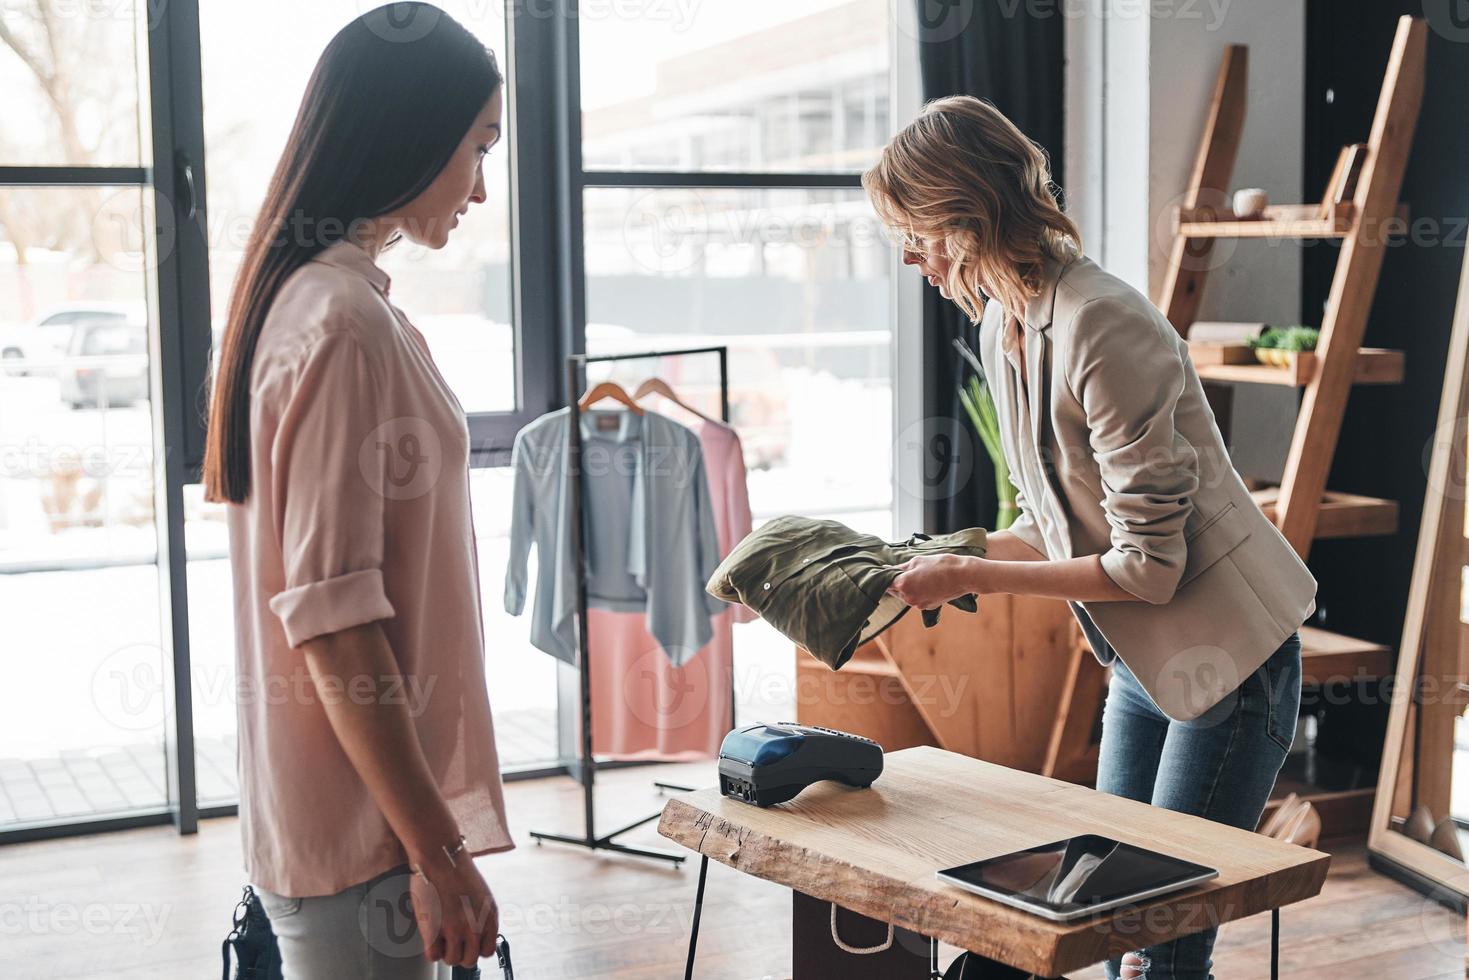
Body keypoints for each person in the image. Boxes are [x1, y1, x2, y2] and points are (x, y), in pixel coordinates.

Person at [864, 95, 1317, 980]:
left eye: (916, 229)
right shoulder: (1005, 323)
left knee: (1160, 947)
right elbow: (1048, 519)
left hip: (1231, 661)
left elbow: (1150, 568)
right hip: (1143, 666)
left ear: (968, 211)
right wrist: (945, 560)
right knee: (1104, 925)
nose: (910, 253)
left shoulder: (1101, 323)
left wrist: (972, 575)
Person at [202, 5, 511, 975]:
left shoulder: (316, 301)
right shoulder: (340, 323)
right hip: (364, 844)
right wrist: (438, 851)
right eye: (477, 148)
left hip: (340, 831)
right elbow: (334, 618)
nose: (482, 187)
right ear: (410, 134)